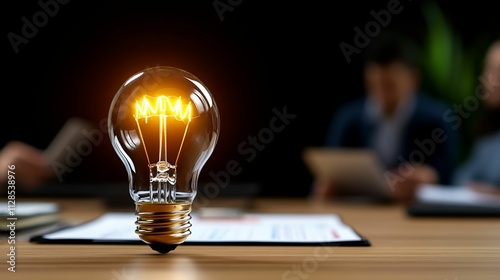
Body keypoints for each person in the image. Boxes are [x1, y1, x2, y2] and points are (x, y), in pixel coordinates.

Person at [311, 31, 459, 203]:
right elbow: (331, 169)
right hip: (360, 208)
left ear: (414, 79)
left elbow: (449, 178)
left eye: (390, 85)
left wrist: (430, 177)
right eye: (374, 84)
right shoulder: (348, 118)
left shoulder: (436, 119)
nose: (381, 94)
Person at [452, 37, 500, 194]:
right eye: (486, 68)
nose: (487, 77)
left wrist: (492, 192)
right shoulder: (488, 131)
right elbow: (461, 178)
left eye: (497, 71)